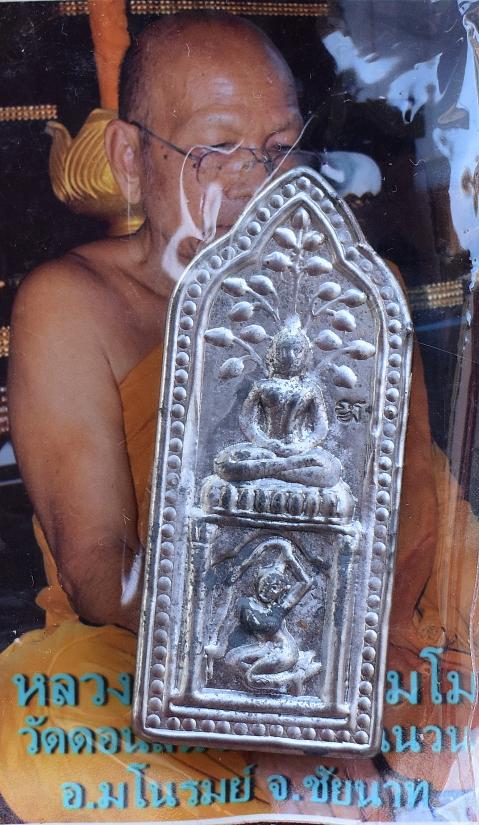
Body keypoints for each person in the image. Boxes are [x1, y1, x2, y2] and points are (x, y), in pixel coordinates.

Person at [2, 9, 479, 822]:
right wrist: (271, 716)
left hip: (381, 644)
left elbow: (420, 520)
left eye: (280, 146)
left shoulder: (355, 291)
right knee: (44, 724)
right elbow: (98, 565)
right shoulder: (76, 305)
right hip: (169, 658)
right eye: (216, 148)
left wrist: (354, 675)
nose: (256, 180)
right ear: (130, 157)